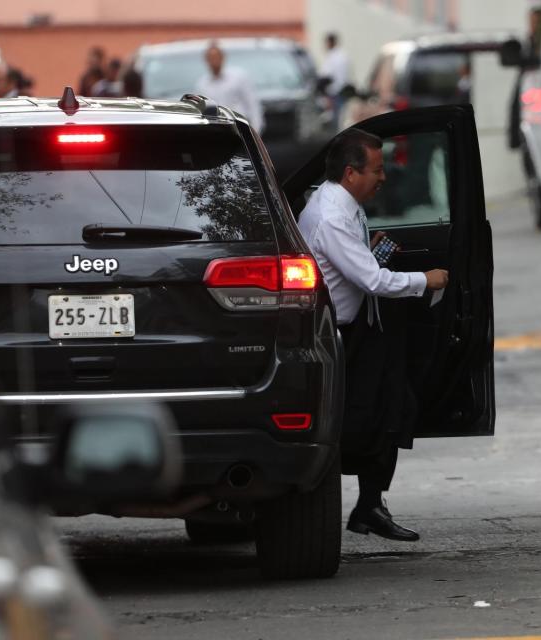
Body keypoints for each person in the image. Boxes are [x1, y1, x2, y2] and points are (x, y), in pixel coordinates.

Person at [297, 129, 448, 541]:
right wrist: (426, 280)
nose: (383, 178)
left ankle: (370, 505)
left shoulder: (341, 203)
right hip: (344, 336)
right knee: (371, 418)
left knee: (394, 406)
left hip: (362, 326)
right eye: (377, 170)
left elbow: (358, 266)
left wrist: (369, 247)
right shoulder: (331, 217)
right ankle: (357, 505)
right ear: (350, 173)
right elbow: (373, 280)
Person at [196, 42, 263, 133]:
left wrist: (256, 131)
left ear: (223, 58)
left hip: (241, 129)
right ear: (206, 61)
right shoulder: (203, 84)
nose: (214, 61)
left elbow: (252, 104)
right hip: (217, 132)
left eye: (217, 57)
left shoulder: (239, 77)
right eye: (211, 58)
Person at [319, 32, 350, 126]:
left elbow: (326, 75)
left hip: (334, 92)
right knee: (341, 118)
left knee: (335, 120)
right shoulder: (343, 55)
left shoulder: (332, 57)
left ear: (329, 42)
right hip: (343, 90)